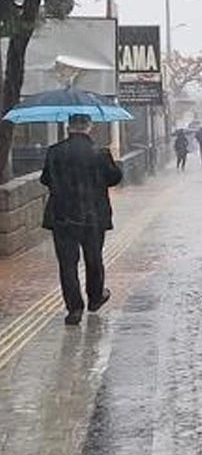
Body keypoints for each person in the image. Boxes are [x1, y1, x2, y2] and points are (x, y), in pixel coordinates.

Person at [40, 114, 123, 325]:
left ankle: (74, 309)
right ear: (89, 127)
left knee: (67, 264)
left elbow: (45, 179)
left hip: (62, 215)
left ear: (69, 128)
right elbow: (114, 178)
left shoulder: (54, 151)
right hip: (93, 215)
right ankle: (95, 298)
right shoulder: (100, 152)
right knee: (94, 258)